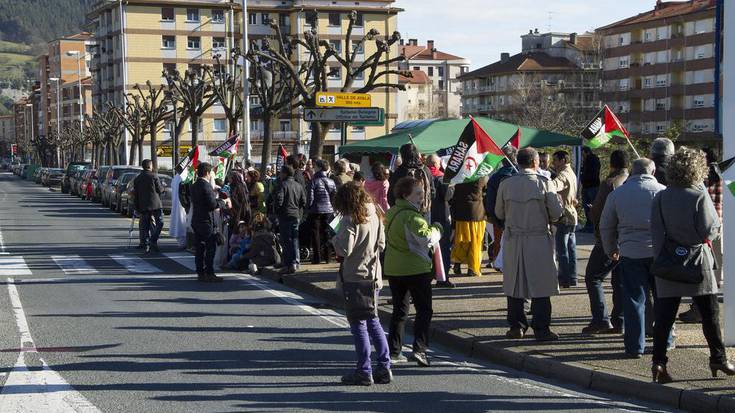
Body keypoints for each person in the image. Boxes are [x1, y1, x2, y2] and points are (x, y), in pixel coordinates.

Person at [650, 147, 734, 383]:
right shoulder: (699, 194)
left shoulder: (661, 196)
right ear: (698, 169)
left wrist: (662, 258)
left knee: (664, 318)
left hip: (668, 259)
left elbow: (655, 233)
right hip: (698, 259)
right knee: (710, 314)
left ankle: (659, 362)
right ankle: (718, 358)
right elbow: (709, 230)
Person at [600, 158, 668, 358]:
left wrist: (610, 248)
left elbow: (606, 225)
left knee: (633, 301)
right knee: (663, 300)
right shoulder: (663, 192)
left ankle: (634, 346)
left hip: (630, 252)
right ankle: (666, 341)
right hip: (658, 252)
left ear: (632, 172)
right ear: (652, 171)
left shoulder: (618, 193)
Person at [495, 148, 563, 341]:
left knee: (515, 284)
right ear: (535, 162)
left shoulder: (506, 184)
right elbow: (556, 212)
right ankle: (541, 328)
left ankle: (517, 326)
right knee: (541, 285)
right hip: (538, 238)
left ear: (518, 162)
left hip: (514, 238)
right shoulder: (545, 183)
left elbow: (499, 212)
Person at [332, 183, 391, 386]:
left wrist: (334, 239)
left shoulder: (350, 218)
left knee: (358, 325)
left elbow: (344, 250)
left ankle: (364, 370)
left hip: (355, 276)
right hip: (374, 275)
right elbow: (382, 244)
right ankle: (384, 366)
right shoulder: (375, 213)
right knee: (373, 321)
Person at [385, 177, 442, 367]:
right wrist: (437, 229)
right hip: (416, 269)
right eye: (417, 193)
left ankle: (394, 350)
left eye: (422, 192)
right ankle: (419, 349)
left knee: (399, 310)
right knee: (424, 310)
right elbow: (425, 239)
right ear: (405, 194)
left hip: (394, 268)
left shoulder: (392, 212)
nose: (421, 196)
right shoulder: (412, 217)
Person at [582, 150, 629, 334]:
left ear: (611, 164)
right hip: (627, 239)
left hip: (608, 238)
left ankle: (601, 319)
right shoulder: (631, 182)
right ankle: (620, 320)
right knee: (619, 281)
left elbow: (598, 213)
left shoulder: (609, 184)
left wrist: (593, 211)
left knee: (593, 277)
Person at [679, 148, 723, 324]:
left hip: (703, 227)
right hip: (721, 225)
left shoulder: (700, 178)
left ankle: (699, 310)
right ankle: (711, 307)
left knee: (703, 270)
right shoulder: (727, 176)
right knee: (716, 270)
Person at [191, 162, 228, 282]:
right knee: (210, 248)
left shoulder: (194, 185)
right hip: (206, 221)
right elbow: (212, 204)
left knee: (199, 248)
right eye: (211, 173)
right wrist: (223, 202)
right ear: (207, 173)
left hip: (196, 219)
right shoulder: (206, 186)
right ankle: (209, 273)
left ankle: (200, 273)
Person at [484, 146, 518, 271]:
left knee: (499, 241)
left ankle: (500, 265)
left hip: (501, 216)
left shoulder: (495, 178)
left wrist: (493, 216)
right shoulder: (523, 174)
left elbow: (490, 201)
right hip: (519, 217)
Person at [548, 150, 578, 288]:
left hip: (565, 215)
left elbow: (554, 185)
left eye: (555, 160)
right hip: (572, 213)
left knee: (563, 250)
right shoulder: (571, 173)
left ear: (563, 160)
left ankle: (564, 278)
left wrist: (545, 183)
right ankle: (572, 277)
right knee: (571, 249)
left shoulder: (564, 175)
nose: (553, 163)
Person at [449, 176, 488, 277]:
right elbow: (485, 194)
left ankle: (457, 263)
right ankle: (472, 268)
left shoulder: (459, 177)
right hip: (477, 214)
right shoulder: (482, 177)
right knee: (476, 242)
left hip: (460, 213)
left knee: (460, 241)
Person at [274, 165, 307, 275]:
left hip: (285, 215)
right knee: (294, 239)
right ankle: (295, 262)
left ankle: (288, 264)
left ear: (284, 173)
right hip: (295, 214)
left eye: (281, 173)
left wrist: (277, 212)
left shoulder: (282, 185)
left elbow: (279, 200)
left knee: (286, 240)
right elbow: (303, 201)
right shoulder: (298, 186)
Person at [387, 144, 434, 219]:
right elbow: (433, 192)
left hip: (403, 212)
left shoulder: (400, 172)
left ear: (403, 156)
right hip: (424, 212)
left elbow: (391, 195)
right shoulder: (426, 170)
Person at [427, 154, 453, 287]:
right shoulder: (442, 177)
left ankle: (427, 277)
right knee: (443, 249)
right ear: (436, 164)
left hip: (426, 217)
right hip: (441, 217)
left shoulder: (422, 176)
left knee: (427, 249)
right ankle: (443, 278)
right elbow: (448, 196)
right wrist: (451, 184)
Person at [308, 159, 337, 265]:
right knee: (327, 233)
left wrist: (309, 208)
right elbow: (334, 196)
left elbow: (310, 198)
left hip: (316, 210)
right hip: (329, 210)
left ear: (319, 167)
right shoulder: (331, 181)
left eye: (315, 166)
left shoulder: (314, 180)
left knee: (315, 234)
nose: (314, 168)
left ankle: (317, 258)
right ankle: (328, 257)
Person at [133, 159, 164, 254]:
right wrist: (163, 188)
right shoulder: (154, 176)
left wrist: (136, 206)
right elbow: (159, 189)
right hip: (155, 204)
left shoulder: (137, 178)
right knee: (160, 223)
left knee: (145, 226)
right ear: (150, 166)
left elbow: (136, 194)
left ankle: (147, 244)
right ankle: (153, 240)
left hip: (143, 205)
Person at [580, 147, 601, 233]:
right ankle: (590, 225)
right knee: (589, 206)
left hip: (590, 186)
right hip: (591, 185)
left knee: (589, 206)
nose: (582, 156)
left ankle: (591, 225)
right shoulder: (594, 160)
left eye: (583, 153)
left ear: (586, 152)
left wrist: (583, 176)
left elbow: (591, 173)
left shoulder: (591, 160)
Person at [169, 166, 188, 248]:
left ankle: (181, 241)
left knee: (179, 221)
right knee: (182, 221)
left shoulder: (176, 177)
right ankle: (183, 241)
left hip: (177, 202)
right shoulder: (184, 177)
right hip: (182, 203)